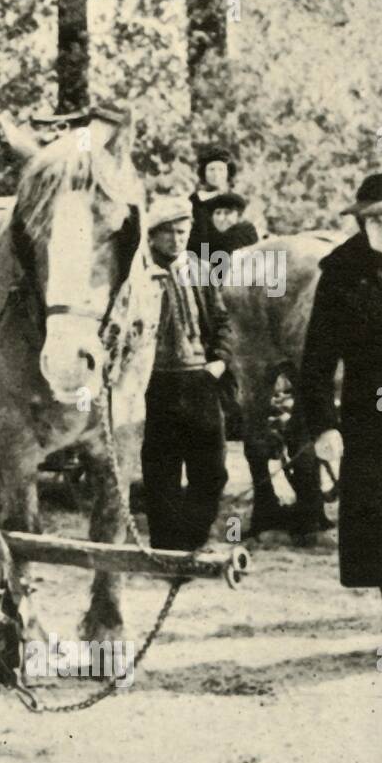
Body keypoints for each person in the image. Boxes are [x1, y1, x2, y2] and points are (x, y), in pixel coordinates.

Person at [301, 169, 382, 663]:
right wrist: (323, 425)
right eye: (374, 220)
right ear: (361, 223)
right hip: (379, 408)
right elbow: (316, 359)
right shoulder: (341, 273)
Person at [140, 195, 236, 551]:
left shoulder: (198, 268)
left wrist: (220, 361)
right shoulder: (140, 273)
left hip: (201, 380)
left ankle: (194, 542)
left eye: (182, 232)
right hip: (157, 382)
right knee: (162, 471)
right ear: (152, 236)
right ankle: (166, 549)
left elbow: (223, 321)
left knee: (211, 470)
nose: (177, 239)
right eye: (168, 233)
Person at [188, 144, 241, 258]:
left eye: (221, 170)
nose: (216, 174)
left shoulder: (234, 201)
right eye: (211, 169)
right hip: (197, 256)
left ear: (228, 173)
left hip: (227, 257)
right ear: (204, 172)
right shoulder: (193, 201)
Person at [205, 190, 260, 256]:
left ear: (239, 216)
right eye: (217, 213)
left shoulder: (248, 237)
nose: (221, 218)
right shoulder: (206, 239)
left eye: (227, 213)